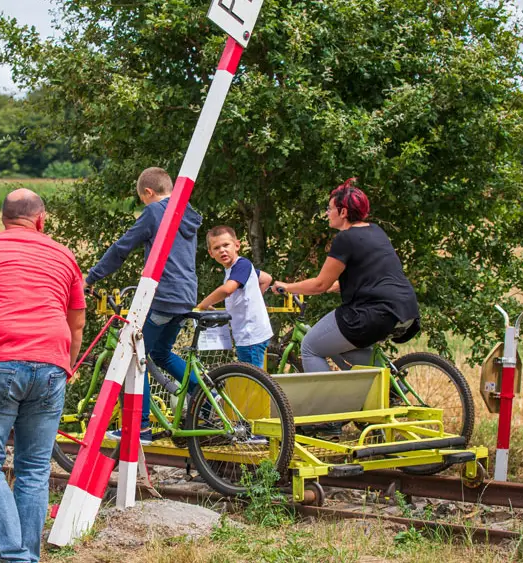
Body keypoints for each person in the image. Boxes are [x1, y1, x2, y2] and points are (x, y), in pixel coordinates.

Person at [0, 188, 86, 563]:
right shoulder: (64, 255)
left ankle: (15, 557)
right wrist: (66, 366)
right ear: (41, 220)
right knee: (34, 470)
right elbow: (76, 324)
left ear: (3, 219)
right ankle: (26, 557)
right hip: (51, 363)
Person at [84, 167, 202, 444]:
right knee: (160, 353)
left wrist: (90, 278)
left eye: (142, 199)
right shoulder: (185, 212)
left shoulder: (154, 212)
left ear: (148, 192)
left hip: (164, 297)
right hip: (186, 296)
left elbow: (121, 249)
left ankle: (140, 427)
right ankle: (205, 395)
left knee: (133, 356)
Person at [273, 178, 420, 372]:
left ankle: (327, 394)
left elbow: (320, 285)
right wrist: (337, 286)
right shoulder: (376, 231)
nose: (327, 213)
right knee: (335, 345)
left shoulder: (345, 238)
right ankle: (388, 385)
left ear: (343, 212)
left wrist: (287, 287)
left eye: (329, 208)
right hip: (405, 309)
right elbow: (373, 274)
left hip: (372, 313)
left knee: (310, 346)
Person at [196, 225, 274, 368]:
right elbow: (266, 279)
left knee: (253, 377)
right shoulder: (235, 270)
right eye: (217, 248)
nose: (222, 250)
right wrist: (252, 300)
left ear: (237, 245)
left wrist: (203, 305)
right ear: (211, 253)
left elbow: (227, 290)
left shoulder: (242, 265)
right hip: (247, 334)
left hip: (250, 335)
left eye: (226, 245)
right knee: (250, 375)